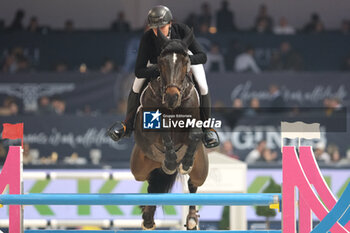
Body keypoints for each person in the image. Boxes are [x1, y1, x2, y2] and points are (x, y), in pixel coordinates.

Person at [108, 5, 219, 148]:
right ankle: (127, 125)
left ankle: (207, 128)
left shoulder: (182, 30)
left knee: (203, 86)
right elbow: (139, 71)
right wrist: (159, 69)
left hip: (185, 62)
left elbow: (202, 56)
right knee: (136, 86)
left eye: (161, 27)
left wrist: (182, 63)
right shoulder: (148, 38)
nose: (157, 31)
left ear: (170, 24)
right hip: (157, 66)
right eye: (154, 27)